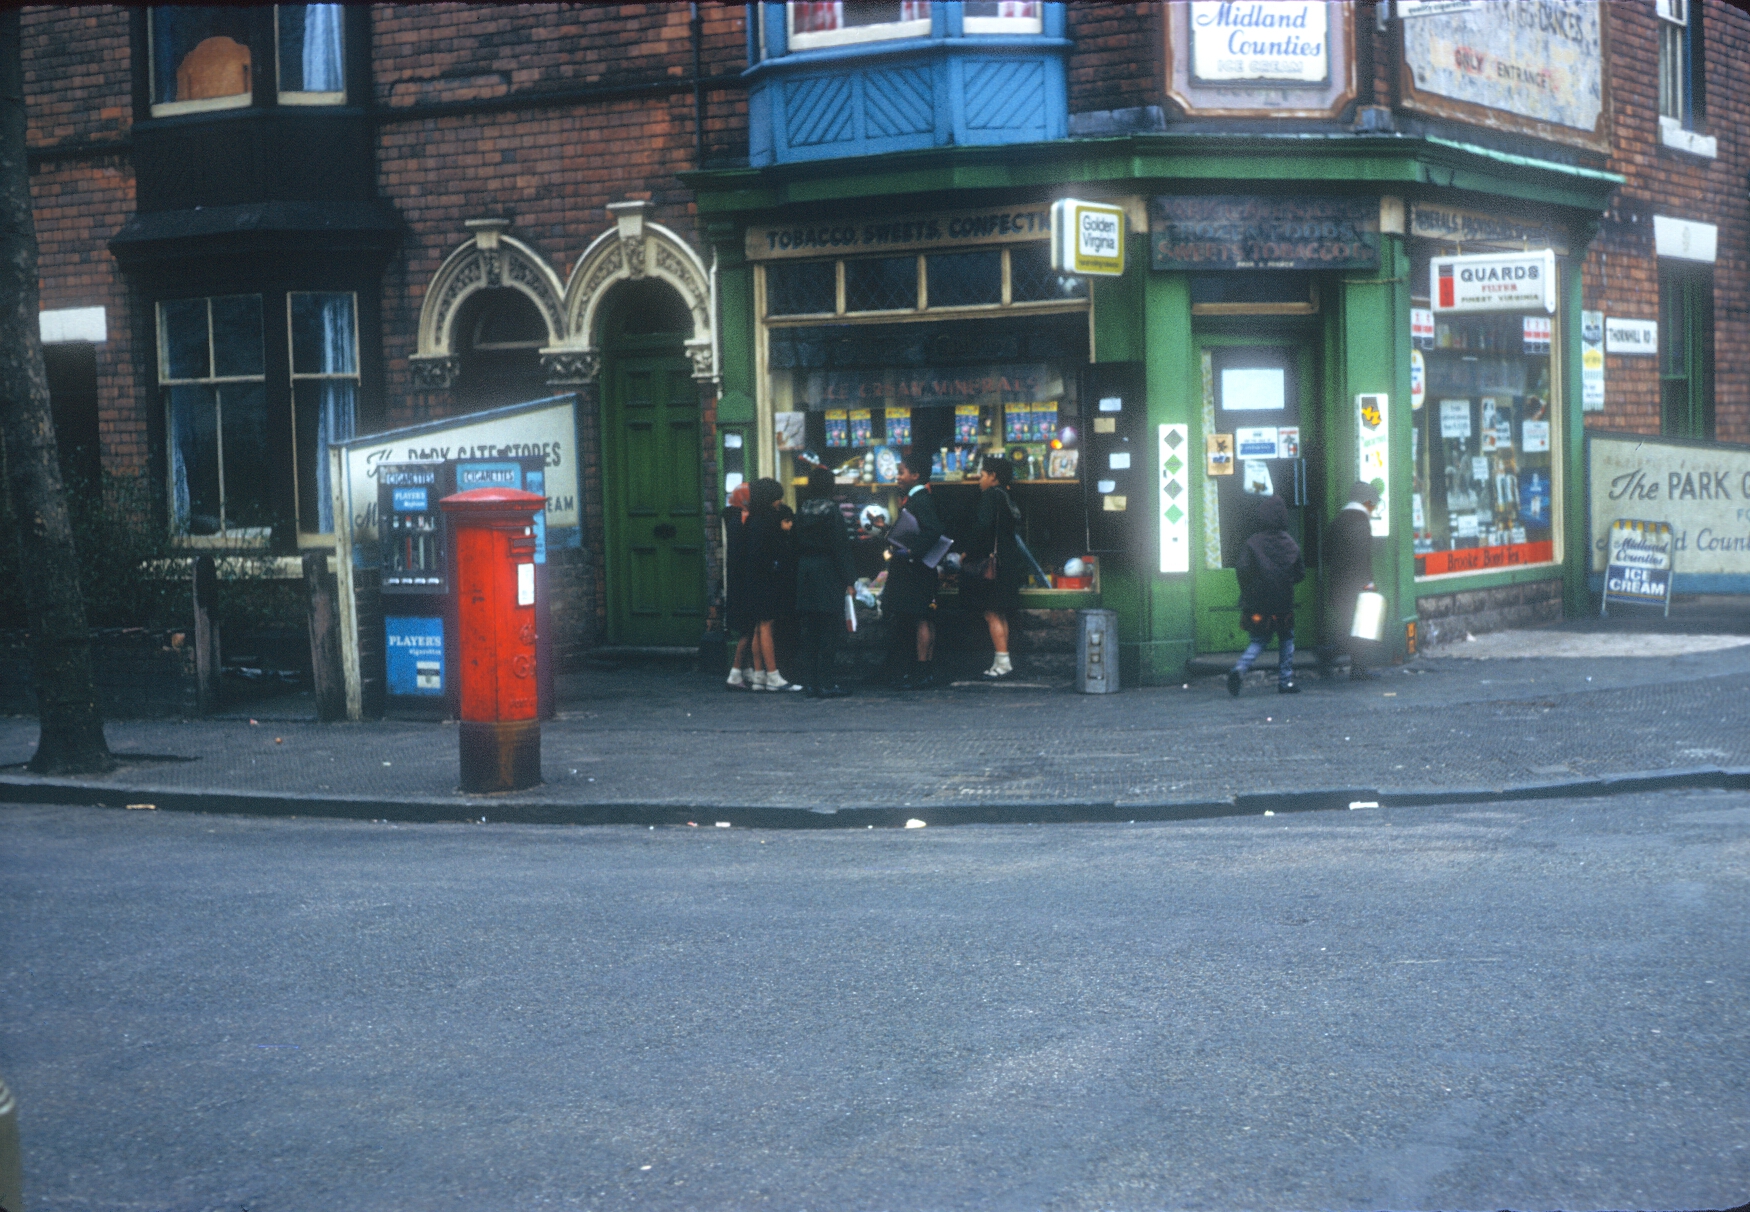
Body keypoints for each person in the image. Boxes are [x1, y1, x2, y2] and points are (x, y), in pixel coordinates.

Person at [1226, 494, 1305, 697]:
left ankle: (1239, 669)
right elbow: (1300, 574)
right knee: (1286, 639)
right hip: (1283, 602)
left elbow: (1242, 569)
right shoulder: (1290, 544)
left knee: (1259, 640)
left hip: (1258, 602)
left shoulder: (1253, 543)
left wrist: (1250, 589)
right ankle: (1285, 681)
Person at [793, 466, 857, 698]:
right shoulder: (832, 511)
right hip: (827, 571)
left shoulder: (803, 510)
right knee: (829, 630)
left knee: (810, 631)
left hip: (806, 570)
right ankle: (827, 682)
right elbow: (841, 547)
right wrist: (849, 580)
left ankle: (810, 682)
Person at [883, 451, 944, 690]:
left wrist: (911, 552)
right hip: (919, 568)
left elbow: (932, 530)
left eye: (901, 472)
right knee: (923, 618)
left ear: (916, 475)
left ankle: (922, 670)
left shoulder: (920, 500)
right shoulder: (918, 499)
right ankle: (922, 669)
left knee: (921, 618)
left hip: (917, 569)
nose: (897, 477)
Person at [961, 454, 1024, 679]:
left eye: (982, 475)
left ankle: (1003, 662)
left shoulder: (990, 497)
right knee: (1001, 613)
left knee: (991, 614)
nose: (980, 480)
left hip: (993, 565)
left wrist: (966, 552)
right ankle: (1002, 662)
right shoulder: (1006, 497)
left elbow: (982, 527)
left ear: (993, 476)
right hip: (1007, 563)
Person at [745, 477, 803, 692]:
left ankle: (759, 674)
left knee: (759, 626)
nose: (780, 501)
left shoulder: (753, 518)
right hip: (766, 579)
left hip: (753, 578)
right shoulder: (769, 521)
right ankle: (773, 675)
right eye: (777, 497)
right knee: (767, 625)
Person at [1322, 480, 1380, 682]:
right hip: (1357, 585)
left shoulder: (1338, 520)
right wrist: (1369, 582)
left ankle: (1343, 660)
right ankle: (1338, 658)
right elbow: (1363, 557)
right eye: (1373, 504)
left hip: (1338, 585)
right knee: (1360, 630)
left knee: (1350, 626)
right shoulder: (1361, 523)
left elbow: (1325, 554)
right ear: (1366, 502)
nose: (1374, 508)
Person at [722, 482, 756, 690]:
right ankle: (735, 673)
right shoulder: (741, 521)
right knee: (748, 629)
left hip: (737, 580)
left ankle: (747, 669)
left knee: (748, 627)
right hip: (744, 580)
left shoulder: (733, 519)